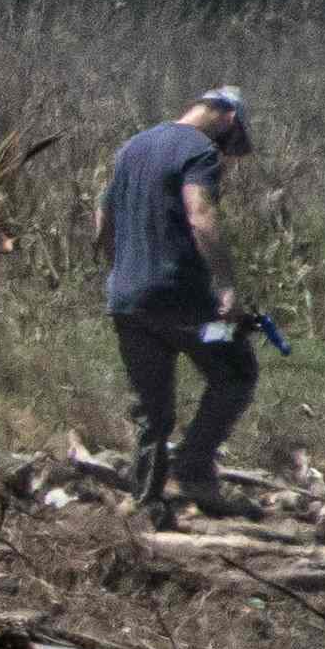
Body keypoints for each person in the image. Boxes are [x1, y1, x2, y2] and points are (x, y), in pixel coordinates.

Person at [99, 85, 261, 526]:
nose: (227, 154)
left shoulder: (133, 146)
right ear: (228, 119)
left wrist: (122, 270)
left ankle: (146, 499)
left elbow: (104, 216)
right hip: (186, 305)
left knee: (153, 409)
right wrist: (227, 287)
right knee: (237, 369)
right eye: (232, 143)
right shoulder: (199, 150)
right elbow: (200, 213)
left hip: (128, 302)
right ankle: (193, 469)